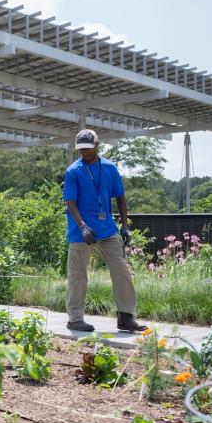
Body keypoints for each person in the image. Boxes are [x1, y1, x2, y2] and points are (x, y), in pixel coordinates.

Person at [62, 129, 148, 333]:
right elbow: (70, 203)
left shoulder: (109, 168)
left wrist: (125, 226)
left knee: (121, 269)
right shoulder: (73, 171)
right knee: (78, 274)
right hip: (81, 231)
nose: (84, 151)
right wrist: (83, 227)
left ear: (97, 145)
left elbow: (121, 197)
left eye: (88, 147)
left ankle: (126, 317)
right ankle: (75, 318)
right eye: (81, 148)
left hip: (107, 228)